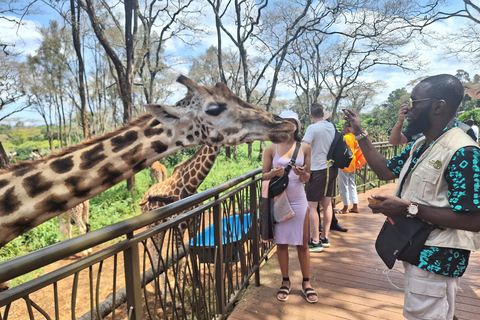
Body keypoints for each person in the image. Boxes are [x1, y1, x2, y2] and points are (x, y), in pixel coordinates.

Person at [343, 74, 480, 320]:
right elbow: (385, 170)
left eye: (415, 102)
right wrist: (360, 133)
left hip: (438, 259)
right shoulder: (421, 145)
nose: (408, 110)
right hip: (417, 249)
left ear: (439, 106)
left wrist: (408, 208)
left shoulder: (464, 152)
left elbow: (474, 220)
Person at [262, 110, 318, 304]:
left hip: (298, 200)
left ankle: (306, 283)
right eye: (284, 123)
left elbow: (307, 177)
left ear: (297, 126)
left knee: (303, 243)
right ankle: (285, 281)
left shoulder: (305, 147)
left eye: (292, 123)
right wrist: (274, 173)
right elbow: (263, 175)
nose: (288, 126)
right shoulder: (271, 148)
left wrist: (301, 172)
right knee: (282, 243)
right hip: (279, 200)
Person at [303, 103, 347, 253]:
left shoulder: (312, 128)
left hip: (317, 169)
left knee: (312, 205)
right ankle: (324, 237)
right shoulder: (331, 127)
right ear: (323, 114)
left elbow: (304, 146)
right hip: (331, 168)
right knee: (327, 203)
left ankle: (315, 241)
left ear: (311, 116)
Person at [337, 122, 359, 214]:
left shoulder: (344, 138)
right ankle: (355, 206)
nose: (343, 129)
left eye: (344, 127)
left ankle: (345, 207)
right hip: (352, 162)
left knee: (343, 186)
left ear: (347, 127)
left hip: (344, 163)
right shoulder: (355, 137)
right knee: (352, 184)